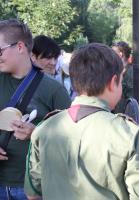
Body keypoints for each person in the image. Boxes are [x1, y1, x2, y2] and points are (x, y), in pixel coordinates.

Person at [24, 43, 139, 200]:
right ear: (113, 82)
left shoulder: (44, 128)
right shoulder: (128, 133)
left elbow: (32, 193)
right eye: (121, 81)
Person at [0, 19, 71, 200]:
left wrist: (37, 133)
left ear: (20, 47)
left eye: (0, 51)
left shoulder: (54, 90)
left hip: (33, 188)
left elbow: (73, 140)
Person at [112, 41, 133, 113]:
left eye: (113, 53)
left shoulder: (131, 73)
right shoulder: (117, 71)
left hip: (126, 116)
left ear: (120, 54)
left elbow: (131, 100)